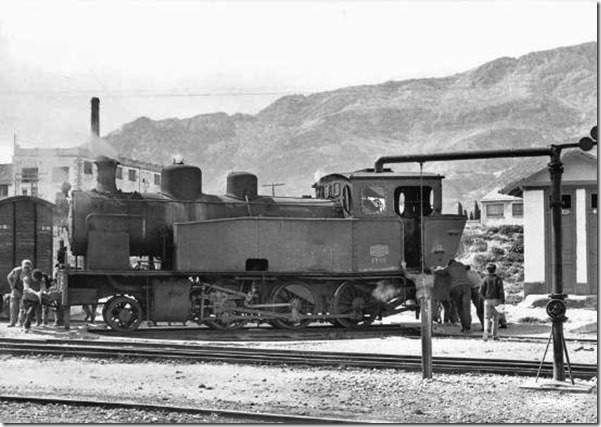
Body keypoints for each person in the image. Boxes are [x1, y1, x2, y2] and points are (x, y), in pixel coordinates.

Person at [435, 259, 472, 333]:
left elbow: (441, 272)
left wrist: (434, 270)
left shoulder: (449, 268)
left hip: (456, 287)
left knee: (460, 308)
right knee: (467, 308)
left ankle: (464, 327)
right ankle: (468, 327)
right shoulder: (462, 265)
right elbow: (468, 267)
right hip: (467, 286)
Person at [480, 263, 505, 341]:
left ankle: (486, 332)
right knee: (496, 318)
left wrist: (484, 298)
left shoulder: (484, 279)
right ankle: (495, 334)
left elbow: (480, 291)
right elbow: (501, 291)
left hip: (487, 300)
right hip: (497, 300)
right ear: (495, 270)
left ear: (487, 270)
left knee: (486, 317)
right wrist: (502, 301)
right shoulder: (498, 279)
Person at [6, 259, 33, 328]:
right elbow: (9, 277)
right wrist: (12, 286)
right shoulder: (16, 270)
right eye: (25, 267)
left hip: (24, 292)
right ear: (22, 266)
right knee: (13, 307)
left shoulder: (31, 274)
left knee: (22, 308)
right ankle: (12, 322)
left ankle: (20, 322)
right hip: (15, 290)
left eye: (28, 267)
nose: (26, 269)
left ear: (30, 267)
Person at [466, 265, 485, 330]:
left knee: (479, 309)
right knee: (484, 307)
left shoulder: (466, 274)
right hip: (483, 289)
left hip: (474, 290)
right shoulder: (474, 272)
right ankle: (500, 321)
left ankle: (484, 326)